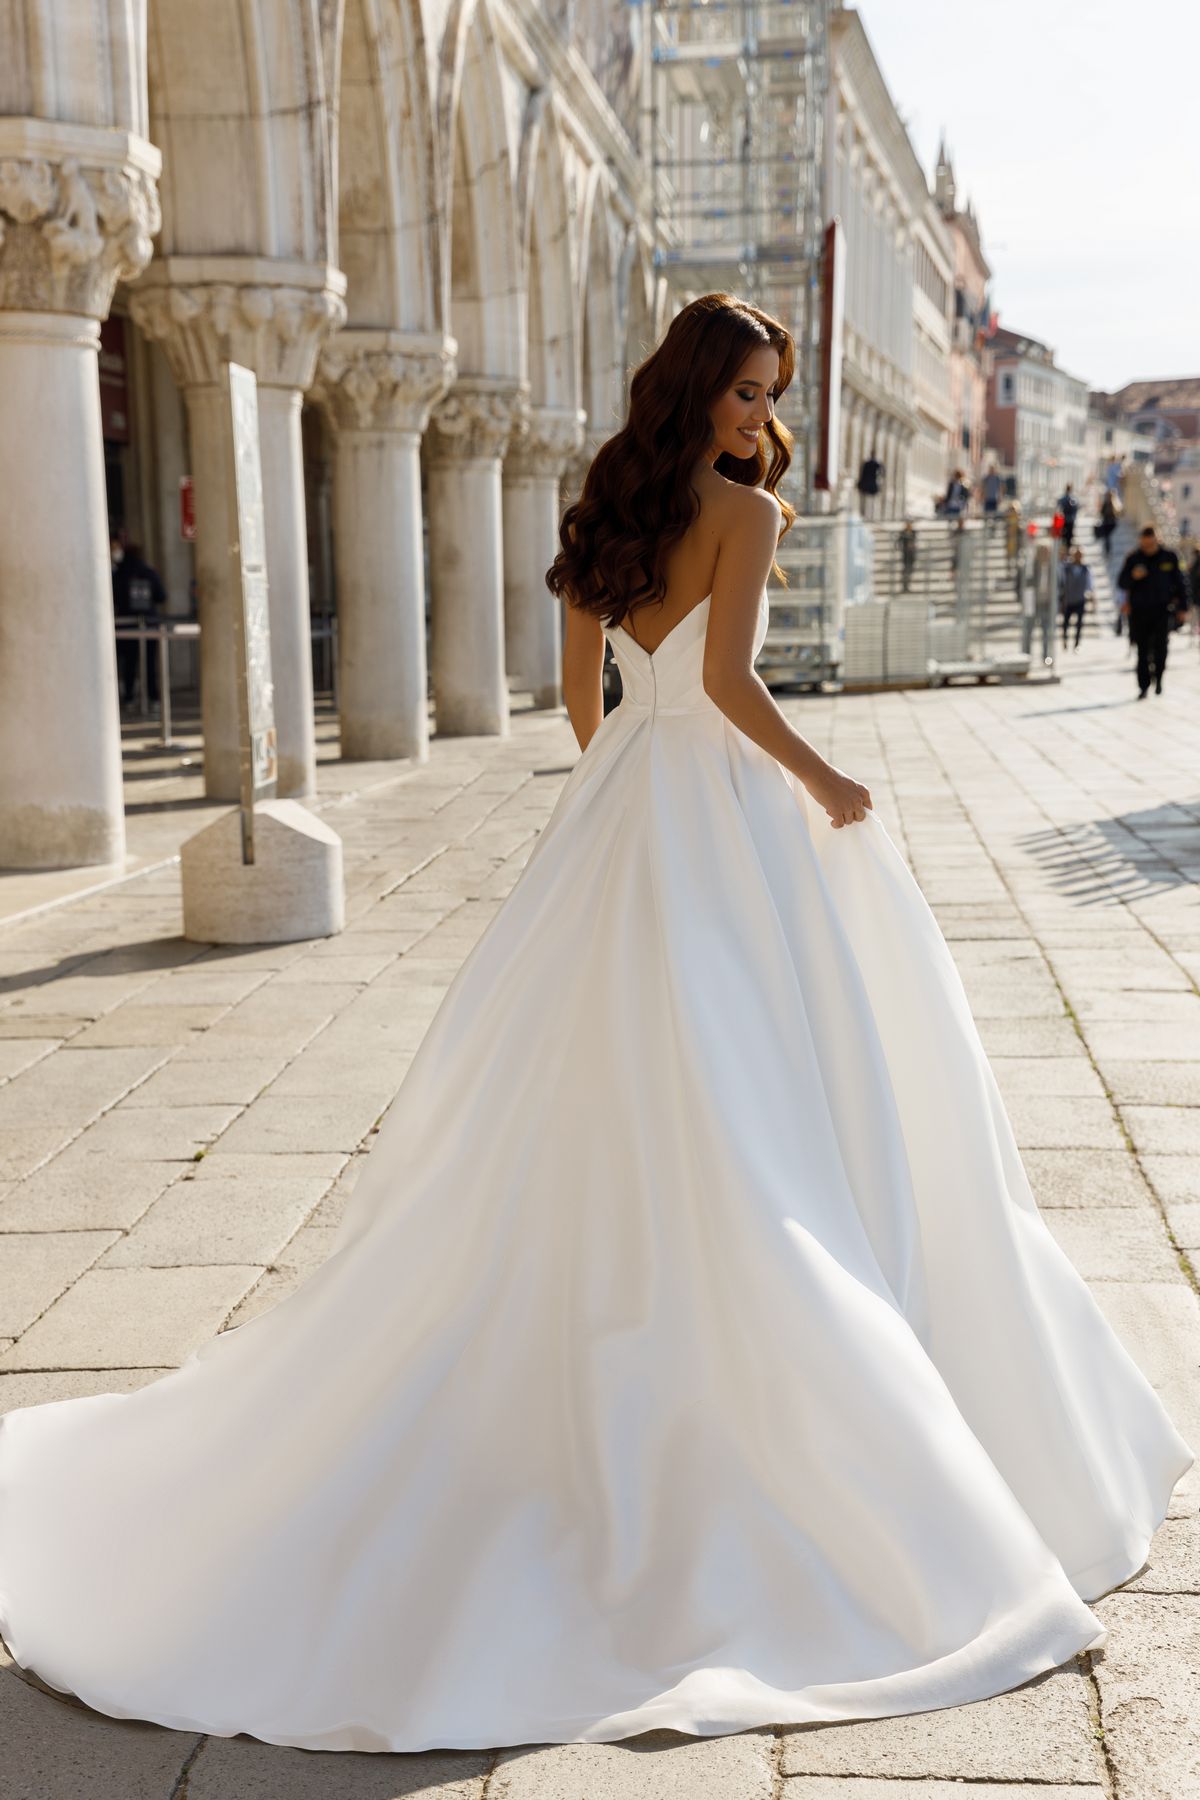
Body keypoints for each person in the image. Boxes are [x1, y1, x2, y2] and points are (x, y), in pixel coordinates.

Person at [0, 292, 1192, 1756]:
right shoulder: (744, 522)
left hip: (620, 816)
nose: (765, 417)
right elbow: (740, 686)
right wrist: (826, 786)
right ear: (704, 390)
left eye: (772, 395)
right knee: (773, 1094)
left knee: (607, 1095)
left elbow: (585, 706)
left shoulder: (606, 508)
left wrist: (641, 779)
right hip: (725, 812)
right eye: (752, 392)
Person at [1117, 523, 1190, 696]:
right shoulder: (1133, 558)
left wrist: (1183, 607)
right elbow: (1121, 582)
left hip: (1162, 611)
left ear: (1157, 540)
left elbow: (1181, 583)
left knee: (1161, 648)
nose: (1148, 548)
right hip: (1140, 612)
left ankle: (1159, 677)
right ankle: (1143, 686)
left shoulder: (1170, 557)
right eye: (1145, 544)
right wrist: (1133, 576)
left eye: (1151, 544)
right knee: (1142, 649)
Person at [111, 539, 167, 708]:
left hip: (127, 626)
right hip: (149, 624)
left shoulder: (120, 574)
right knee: (149, 663)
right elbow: (162, 596)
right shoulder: (149, 573)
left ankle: (129, 697)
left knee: (130, 664)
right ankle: (153, 697)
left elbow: (114, 598)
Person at [1058, 546, 1093, 650]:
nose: (1078, 557)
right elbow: (1062, 583)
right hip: (1068, 599)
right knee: (1065, 623)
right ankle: (1065, 640)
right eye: (1076, 555)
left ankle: (1076, 643)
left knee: (1079, 624)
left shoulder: (1085, 569)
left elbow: (1089, 584)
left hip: (1080, 599)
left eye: (1079, 555)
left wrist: (1090, 596)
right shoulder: (1066, 568)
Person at [856, 447, 885, 520]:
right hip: (872, 484)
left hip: (866, 484)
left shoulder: (867, 463)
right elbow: (883, 472)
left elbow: (862, 474)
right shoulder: (876, 463)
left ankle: (864, 515)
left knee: (865, 501)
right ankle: (870, 516)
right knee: (871, 501)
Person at [1097, 491, 1119, 566]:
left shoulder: (1114, 504)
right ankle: (1107, 551)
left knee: (1107, 537)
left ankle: (1108, 551)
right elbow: (1101, 513)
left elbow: (1118, 513)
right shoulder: (1106, 503)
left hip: (1111, 523)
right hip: (1106, 523)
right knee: (1106, 538)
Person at [1056, 485, 1079, 551]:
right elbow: (1076, 508)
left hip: (1065, 519)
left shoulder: (1064, 498)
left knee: (1065, 535)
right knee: (1069, 535)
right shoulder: (1072, 498)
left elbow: (1058, 504)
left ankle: (1065, 549)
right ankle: (1067, 549)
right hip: (1069, 519)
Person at [899, 517, 917, 592]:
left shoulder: (913, 532)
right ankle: (904, 587)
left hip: (911, 554)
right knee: (905, 571)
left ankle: (908, 586)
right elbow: (900, 542)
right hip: (906, 555)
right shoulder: (903, 532)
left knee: (910, 571)